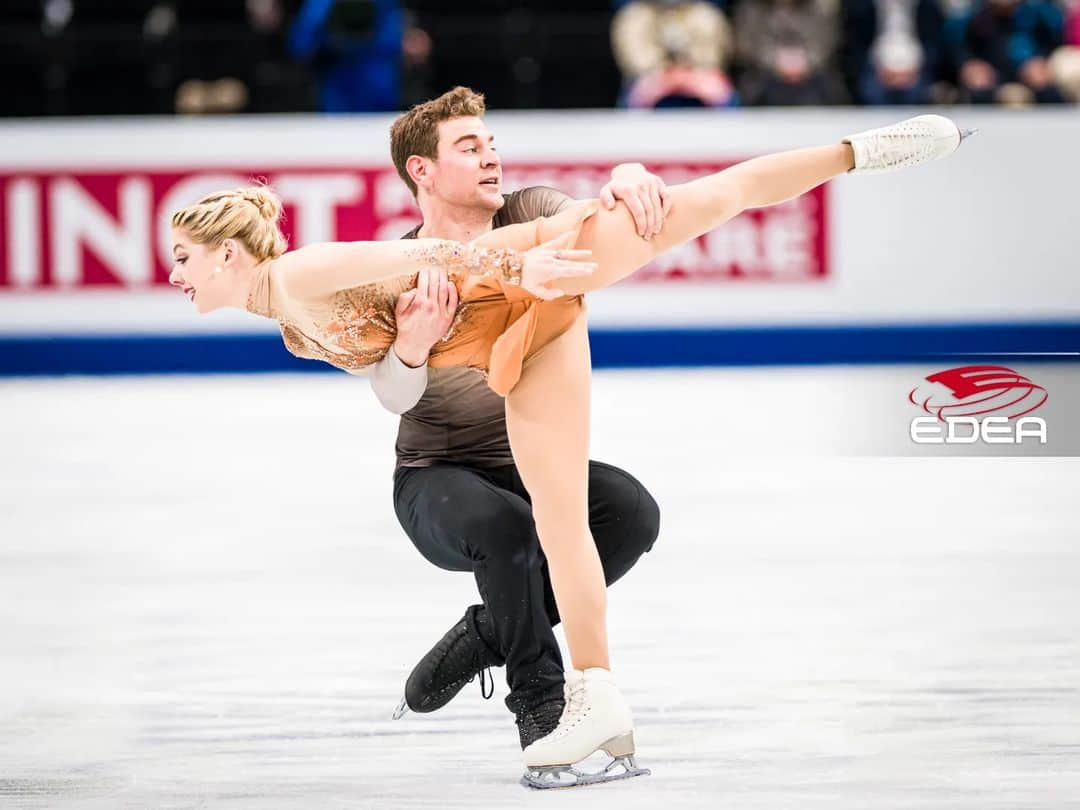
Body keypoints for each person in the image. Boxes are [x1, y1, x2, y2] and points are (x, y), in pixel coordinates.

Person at [168, 111, 972, 785]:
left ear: (229, 253)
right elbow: (396, 365)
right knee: (555, 514)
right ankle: (596, 693)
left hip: (532, 273)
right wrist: (427, 337)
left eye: (183, 258)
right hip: (496, 363)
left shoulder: (307, 271)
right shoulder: (294, 329)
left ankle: (858, 152)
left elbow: (426, 255)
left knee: (706, 204)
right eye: (468, 147)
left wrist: (555, 235)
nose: (176, 276)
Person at [369, 88, 665, 757]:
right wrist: (411, 346)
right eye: (469, 148)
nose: (491, 157)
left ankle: (486, 635)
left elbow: (601, 219)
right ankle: (542, 707)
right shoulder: (402, 268)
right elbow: (390, 394)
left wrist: (626, 178)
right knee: (508, 530)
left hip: (529, 464)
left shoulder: (532, 211)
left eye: (492, 143)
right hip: (436, 478)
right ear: (422, 170)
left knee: (631, 513)